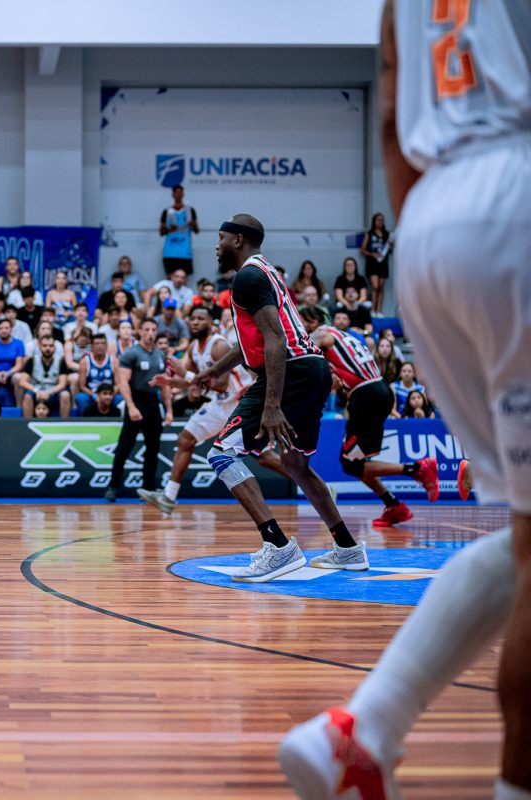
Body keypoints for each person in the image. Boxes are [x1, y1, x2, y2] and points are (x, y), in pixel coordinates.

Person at [280, 3, 531, 798]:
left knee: (524, 536)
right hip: (514, 198)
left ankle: (364, 728)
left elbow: (392, 124)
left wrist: (427, 227)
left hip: (431, 224)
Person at [195, 214, 360, 582]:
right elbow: (255, 340)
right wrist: (215, 370)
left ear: (238, 240)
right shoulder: (265, 272)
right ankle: (348, 548)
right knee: (296, 465)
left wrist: (271, 405)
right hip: (312, 368)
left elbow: (275, 340)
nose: (216, 246)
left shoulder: (247, 277)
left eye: (221, 238)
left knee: (221, 454)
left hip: (291, 371)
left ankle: (278, 546)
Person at [299, 306, 440, 527]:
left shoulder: (322, 333)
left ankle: (417, 469)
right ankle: (394, 506)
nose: (298, 326)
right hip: (377, 390)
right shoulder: (343, 338)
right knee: (355, 462)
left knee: (350, 464)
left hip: (366, 396)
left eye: (301, 321)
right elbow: (336, 380)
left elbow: (301, 350)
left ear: (314, 321)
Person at [138, 307, 262, 514]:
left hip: (241, 402)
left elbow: (220, 385)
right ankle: (169, 496)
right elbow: (193, 381)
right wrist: (170, 381)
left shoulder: (220, 345)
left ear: (210, 323)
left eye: (200, 319)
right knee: (185, 439)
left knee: (265, 457)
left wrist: (185, 374)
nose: (195, 322)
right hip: (221, 404)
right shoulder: (193, 348)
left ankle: (309, 483)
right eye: (192, 318)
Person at [106, 318, 171, 501]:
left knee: (153, 448)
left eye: (153, 329)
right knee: (124, 447)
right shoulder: (131, 354)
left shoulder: (160, 355)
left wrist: (169, 410)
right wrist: (131, 406)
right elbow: (123, 382)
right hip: (136, 400)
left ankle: (148, 488)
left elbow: (164, 384)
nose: (150, 333)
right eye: (147, 329)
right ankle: (113, 486)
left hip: (153, 403)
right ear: (140, 332)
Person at [18, 334, 71, 419]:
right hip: (36, 390)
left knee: (65, 395)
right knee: (27, 396)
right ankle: (27, 423)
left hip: (53, 390)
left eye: (51, 346)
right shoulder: (32, 360)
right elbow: (22, 381)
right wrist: (36, 391)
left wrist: (49, 392)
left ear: (54, 347)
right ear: (39, 346)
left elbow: (62, 383)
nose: (48, 348)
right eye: (45, 345)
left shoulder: (61, 362)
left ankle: (65, 423)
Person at [159, 184, 199, 275]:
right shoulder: (167, 211)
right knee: (171, 277)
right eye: (176, 192)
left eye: (180, 192)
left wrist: (193, 224)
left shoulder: (190, 211)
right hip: (170, 252)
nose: (178, 194)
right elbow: (161, 232)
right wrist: (170, 229)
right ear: (172, 194)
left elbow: (196, 230)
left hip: (185, 252)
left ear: (183, 194)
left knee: (183, 278)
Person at [75, 332, 115, 416]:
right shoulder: (85, 361)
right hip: (91, 393)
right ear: (92, 346)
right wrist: (95, 396)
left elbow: (118, 384)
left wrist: (108, 395)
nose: (100, 346)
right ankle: (85, 421)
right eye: (97, 343)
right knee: (80, 397)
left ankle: (117, 421)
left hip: (108, 393)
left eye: (102, 343)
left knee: (120, 398)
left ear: (106, 346)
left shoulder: (114, 361)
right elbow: (82, 386)